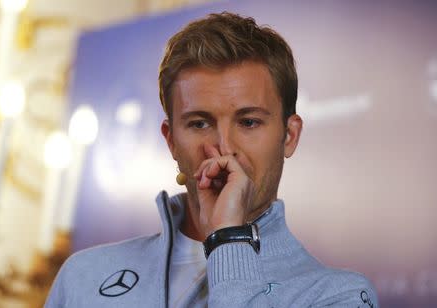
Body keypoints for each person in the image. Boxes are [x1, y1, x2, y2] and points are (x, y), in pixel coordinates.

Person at [45, 12, 379, 307]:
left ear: (289, 136)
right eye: (199, 123)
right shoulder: (83, 276)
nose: (223, 147)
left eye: (248, 122)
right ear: (171, 140)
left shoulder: (337, 295)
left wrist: (229, 237)